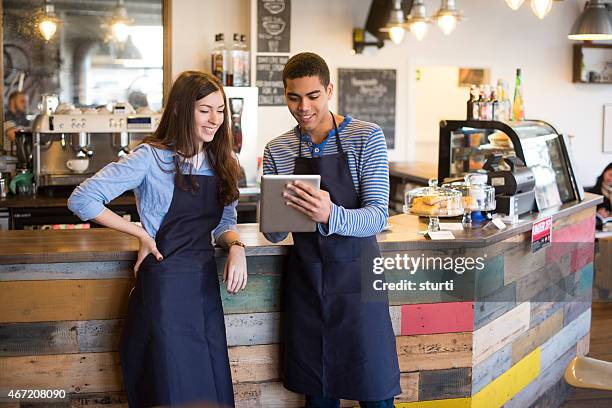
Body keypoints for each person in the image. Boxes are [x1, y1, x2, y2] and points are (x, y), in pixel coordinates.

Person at [68, 71, 247, 408]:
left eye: (220, 110)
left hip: (203, 288)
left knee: (210, 388)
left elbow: (225, 218)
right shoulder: (150, 157)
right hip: (164, 287)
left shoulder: (223, 160)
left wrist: (236, 246)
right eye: (204, 110)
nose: (214, 120)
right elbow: (82, 200)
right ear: (180, 109)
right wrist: (140, 233)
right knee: (170, 388)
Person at [262, 52, 400, 408]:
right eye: (293, 97)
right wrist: (272, 215)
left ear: (329, 90)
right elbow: (276, 235)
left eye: (313, 96)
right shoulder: (278, 149)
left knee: (376, 395)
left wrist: (330, 213)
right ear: (285, 95)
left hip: (359, 283)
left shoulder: (366, 137)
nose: (303, 107)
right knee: (319, 397)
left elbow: (378, 216)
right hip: (308, 285)